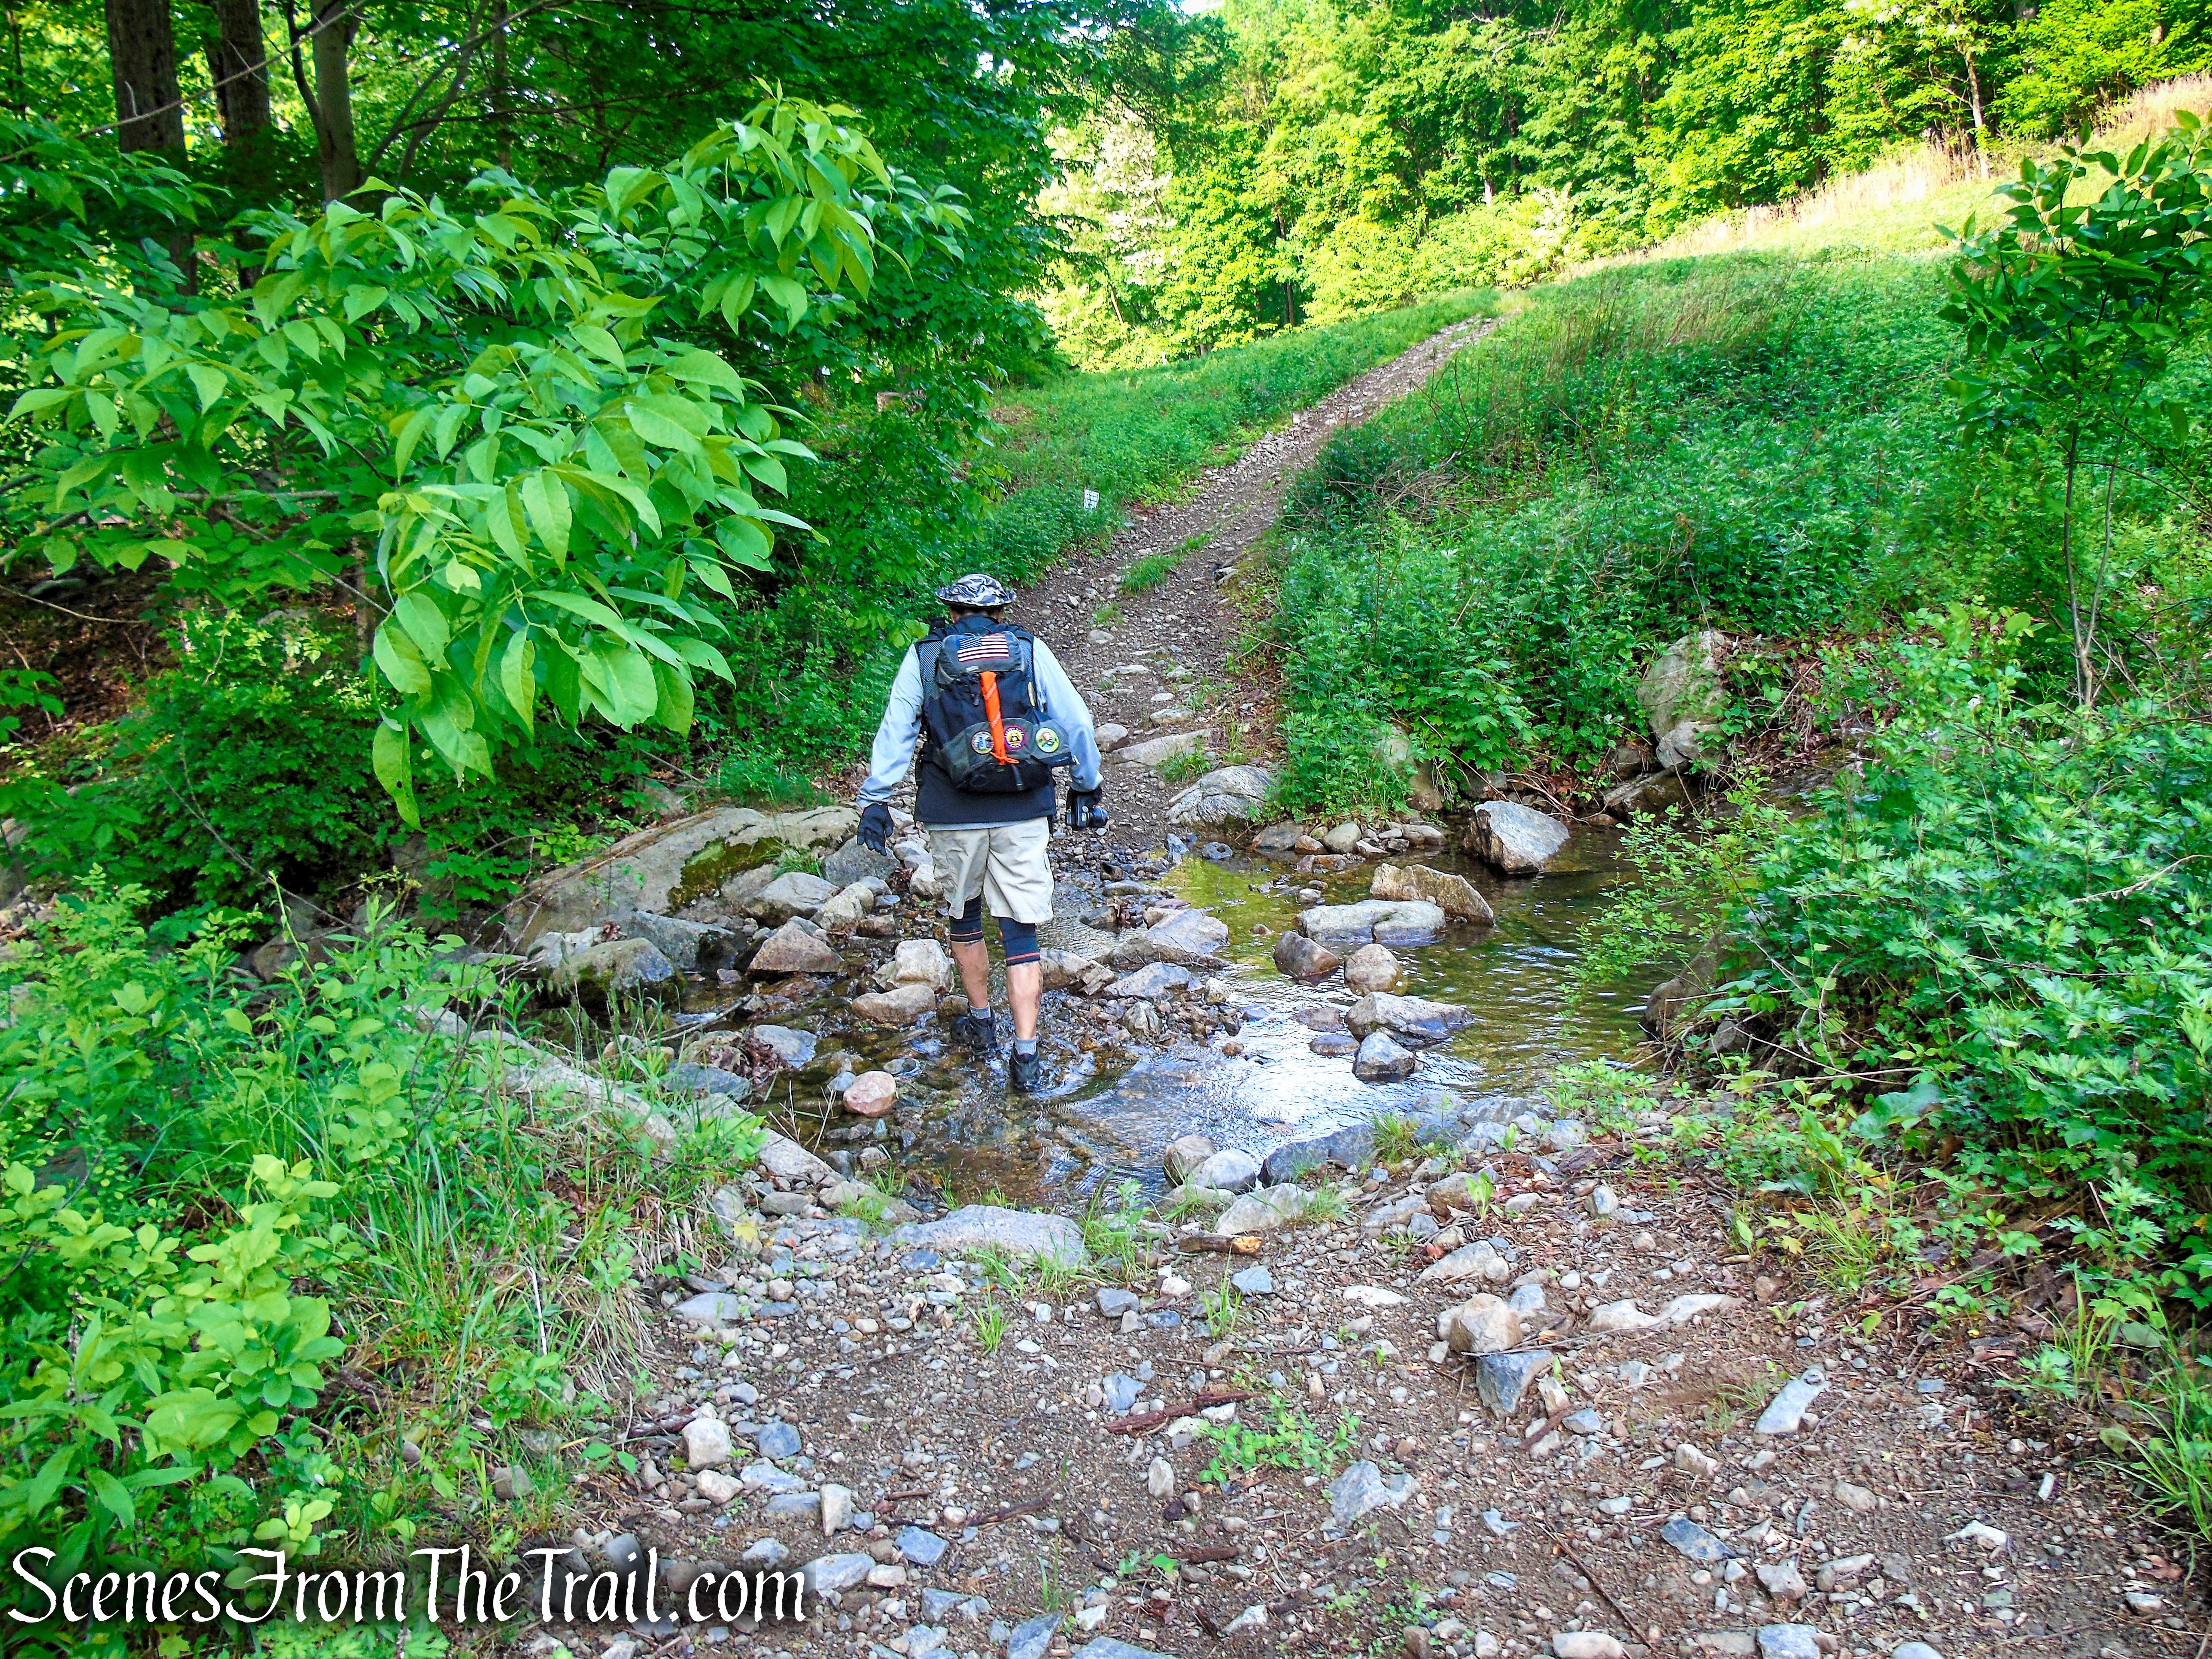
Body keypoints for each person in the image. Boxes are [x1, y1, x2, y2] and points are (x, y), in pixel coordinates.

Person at [854, 573, 1107, 1092]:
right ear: (1001, 614)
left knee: (965, 914)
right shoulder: (1028, 651)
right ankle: (1027, 1057)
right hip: (1023, 806)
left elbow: (897, 727)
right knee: (1021, 929)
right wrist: (1086, 786)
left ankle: (981, 1022)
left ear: (950, 613)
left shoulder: (926, 657)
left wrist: (875, 800)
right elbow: (1077, 723)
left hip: (952, 810)